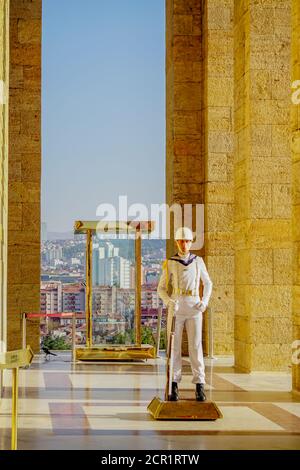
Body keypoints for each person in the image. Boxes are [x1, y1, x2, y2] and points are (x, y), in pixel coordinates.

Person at [157, 226, 213, 401]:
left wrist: (204, 302)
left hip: (194, 305)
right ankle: (174, 383)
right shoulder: (170, 262)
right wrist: (168, 301)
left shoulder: (198, 261)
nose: (184, 244)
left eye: (187, 241)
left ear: (191, 242)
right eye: (181, 241)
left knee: (196, 346)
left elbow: (208, 283)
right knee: (174, 347)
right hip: (177, 306)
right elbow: (161, 288)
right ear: (177, 242)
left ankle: (200, 384)